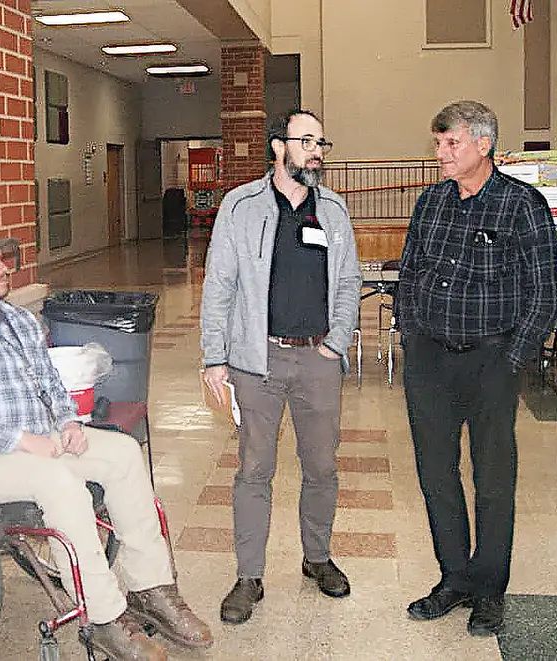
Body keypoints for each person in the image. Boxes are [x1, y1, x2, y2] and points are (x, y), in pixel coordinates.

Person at [0, 231, 213, 661]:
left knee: (124, 453)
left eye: (2, 260)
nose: (3, 268)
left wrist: (68, 421)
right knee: (56, 480)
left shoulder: (19, 320)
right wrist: (23, 441)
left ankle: (151, 588)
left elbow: (52, 383)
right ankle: (106, 618)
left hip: (39, 440)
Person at [396, 100, 557, 636]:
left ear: (483, 146)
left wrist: (511, 361)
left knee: (492, 479)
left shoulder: (522, 206)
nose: (440, 153)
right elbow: (410, 271)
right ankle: (455, 579)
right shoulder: (430, 203)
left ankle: (489, 587)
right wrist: (411, 333)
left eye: (452, 144)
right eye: (438, 143)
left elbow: (546, 295)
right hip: (429, 362)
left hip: (492, 360)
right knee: (435, 474)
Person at [201, 109, 362, 624]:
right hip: (257, 360)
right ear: (278, 147)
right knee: (254, 470)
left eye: (322, 142)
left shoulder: (333, 210)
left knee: (322, 467)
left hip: (318, 360)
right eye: (306, 141)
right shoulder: (241, 206)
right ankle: (249, 576)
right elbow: (219, 283)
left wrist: (335, 344)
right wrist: (214, 357)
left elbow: (349, 283)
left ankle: (317, 559)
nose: (317, 151)